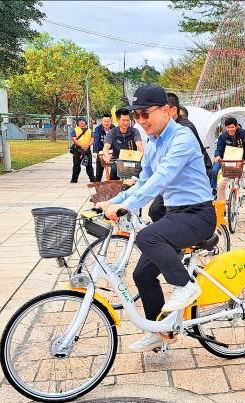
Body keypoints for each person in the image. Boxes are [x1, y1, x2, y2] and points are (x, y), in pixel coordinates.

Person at [95, 84, 215, 352]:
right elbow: (144, 181)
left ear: (166, 111)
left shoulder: (182, 137)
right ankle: (159, 331)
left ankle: (185, 285)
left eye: (145, 114)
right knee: (142, 275)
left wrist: (127, 207)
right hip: (176, 215)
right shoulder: (153, 143)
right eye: (136, 116)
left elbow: (162, 179)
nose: (141, 120)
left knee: (148, 236)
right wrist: (111, 202)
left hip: (199, 214)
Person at [147, 93, 212, 223]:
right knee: (155, 210)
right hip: (174, 178)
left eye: (162, 111)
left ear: (173, 110)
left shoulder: (184, 129)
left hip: (191, 179)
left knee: (175, 212)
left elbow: (171, 164)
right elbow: (149, 156)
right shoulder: (160, 130)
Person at [214, 117, 245, 201]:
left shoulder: (243, 133)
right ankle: (221, 205)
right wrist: (217, 155)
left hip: (242, 162)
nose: (230, 129)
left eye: (232, 127)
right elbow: (219, 148)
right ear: (225, 128)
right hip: (228, 164)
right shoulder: (222, 135)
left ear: (236, 126)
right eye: (228, 127)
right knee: (220, 184)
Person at [102, 109, 144, 181]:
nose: (126, 123)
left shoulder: (134, 132)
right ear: (118, 120)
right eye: (123, 120)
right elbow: (106, 147)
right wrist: (107, 156)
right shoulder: (112, 133)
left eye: (127, 120)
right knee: (113, 185)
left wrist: (143, 156)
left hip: (132, 163)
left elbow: (139, 146)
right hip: (117, 163)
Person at [91, 114, 114, 182]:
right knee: (99, 172)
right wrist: (95, 151)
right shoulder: (98, 129)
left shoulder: (114, 128)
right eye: (104, 121)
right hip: (101, 152)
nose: (106, 123)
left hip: (112, 152)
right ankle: (97, 187)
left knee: (113, 172)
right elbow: (96, 140)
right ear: (101, 121)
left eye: (108, 121)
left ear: (111, 121)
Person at [70, 117, 92, 183]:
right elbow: (74, 139)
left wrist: (87, 146)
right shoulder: (75, 130)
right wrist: (82, 146)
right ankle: (74, 179)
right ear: (78, 122)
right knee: (76, 165)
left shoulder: (89, 130)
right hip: (78, 150)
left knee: (89, 165)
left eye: (83, 121)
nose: (81, 122)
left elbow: (92, 139)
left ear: (85, 122)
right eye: (80, 121)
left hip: (87, 150)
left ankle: (92, 179)